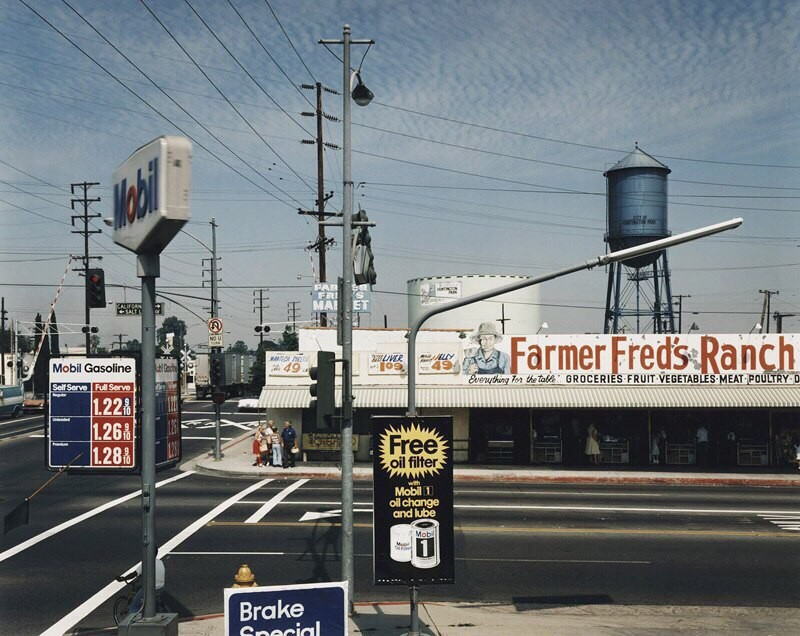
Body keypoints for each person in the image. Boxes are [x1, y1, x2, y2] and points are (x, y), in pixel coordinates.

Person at [118, 552, 165, 617]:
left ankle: (136, 623)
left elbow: (134, 574)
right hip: (161, 587)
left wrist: (123, 579)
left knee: (133, 606)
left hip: (151, 589)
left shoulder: (146, 563)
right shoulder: (160, 562)